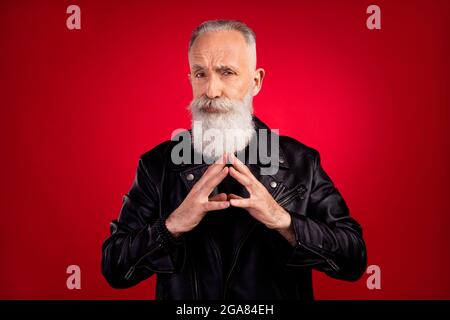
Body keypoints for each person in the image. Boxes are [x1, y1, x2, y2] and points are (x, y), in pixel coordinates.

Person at [101, 20, 367, 300]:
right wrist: (173, 225)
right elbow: (114, 268)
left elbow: (353, 260)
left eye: (226, 72)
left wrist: (283, 221)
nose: (212, 91)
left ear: (256, 82)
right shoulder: (157, 165)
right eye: (200, 74)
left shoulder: (302, 162)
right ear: (190, 79)